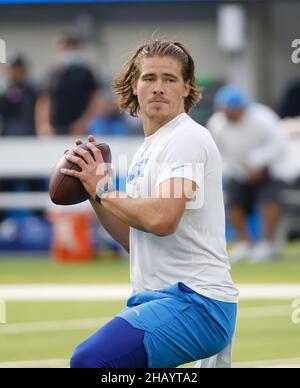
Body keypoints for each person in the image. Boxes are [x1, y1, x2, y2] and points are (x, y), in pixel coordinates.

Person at [61, 40, 238, 368]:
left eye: (169, 80)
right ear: (135, 85)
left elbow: (161, 220)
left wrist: (104, 191)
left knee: (90, 361)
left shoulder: (186, 137)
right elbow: (136, 239)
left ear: (186, 88)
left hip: (195, 302)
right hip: (168, 300)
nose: (159, 88)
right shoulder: (149, 148)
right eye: (150, 78)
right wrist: (94, 191)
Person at [208, 85, 287, 263]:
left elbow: (278, 144)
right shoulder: (216, 123)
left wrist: (258, 163)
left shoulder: (263, 117)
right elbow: (218, 152)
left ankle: (269, 245)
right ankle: (245, 244)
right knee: (234, 206)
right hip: (239, 172)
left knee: (269, 203)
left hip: (269, 169)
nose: (230, 113)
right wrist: (240, 169)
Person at [35, 29, 100, 137]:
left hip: (79, 130)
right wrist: (44, 125)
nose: (70, 49)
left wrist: (83, 124)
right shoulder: (52, 73)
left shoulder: (86, 73)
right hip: (54, 130)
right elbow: (44, 100)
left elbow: (95, 100)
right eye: (67, 45)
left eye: (73, 46)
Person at [0, 52, 36, 136]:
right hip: (6, 135)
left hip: (30, 136)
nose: (15, 73)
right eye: (12, 69)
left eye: (18, 69)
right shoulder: (3, 91)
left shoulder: (33, 90)